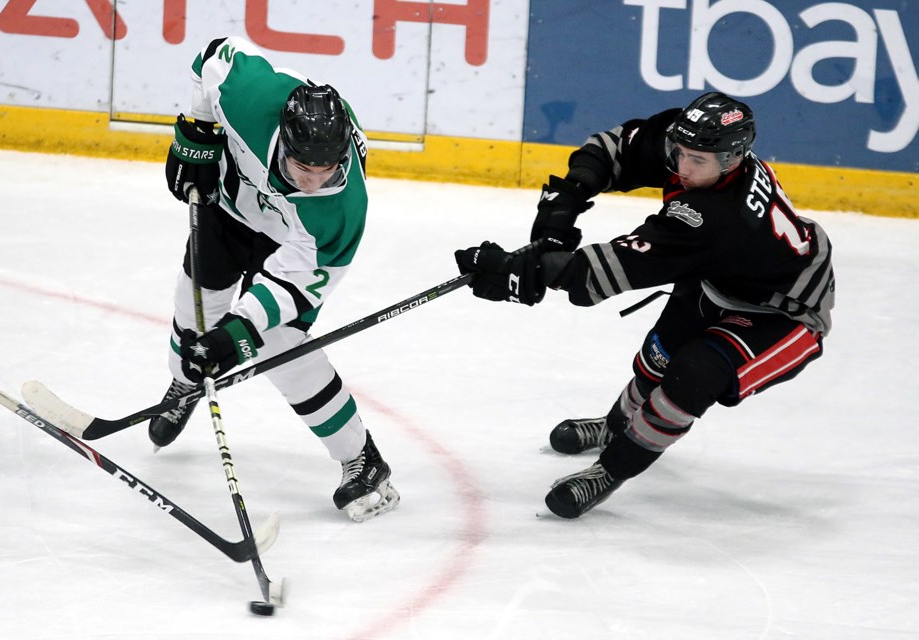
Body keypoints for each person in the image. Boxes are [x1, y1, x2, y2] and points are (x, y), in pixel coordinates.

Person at [454, 92, 835, 519]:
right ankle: (614, 426)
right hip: (720, 276)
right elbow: (615, 147)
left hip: (787, 312)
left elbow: (606, 270)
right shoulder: (696, 148)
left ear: (732, 160)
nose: (682, 168)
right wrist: (567, 199)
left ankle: (610, 470)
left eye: (697, 161)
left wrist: (518, 273)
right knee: (660, 356)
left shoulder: (714, 217)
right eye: (679, 153)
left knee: (693, 374)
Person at [153, 35, 398, 522]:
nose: (312, 181)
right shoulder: (250, 96)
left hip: (294, 240)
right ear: (283, 141)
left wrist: (237, 335)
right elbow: (214, 54)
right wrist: (196, 136)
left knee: (278, 343)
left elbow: (292, 285)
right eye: (302, 168)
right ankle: (185, 383)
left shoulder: (340, 208)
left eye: (325, 172)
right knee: (196, 302)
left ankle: (361, 459)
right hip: (230, 206)